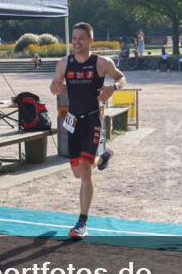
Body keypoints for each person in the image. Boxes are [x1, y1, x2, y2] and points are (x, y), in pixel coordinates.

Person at [50, 22, 127, 239]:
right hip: (73, 120)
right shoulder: (64, 63)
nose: (77, 42)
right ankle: (103, 158)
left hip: (92, 119)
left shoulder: (102, 63)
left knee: (85, 172)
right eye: (74, 38)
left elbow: (121, 77)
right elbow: (54, 84)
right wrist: (55, 87)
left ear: (90, 40)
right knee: (78, 172)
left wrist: (113, 87)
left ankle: (82, 223)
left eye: (81, 38)